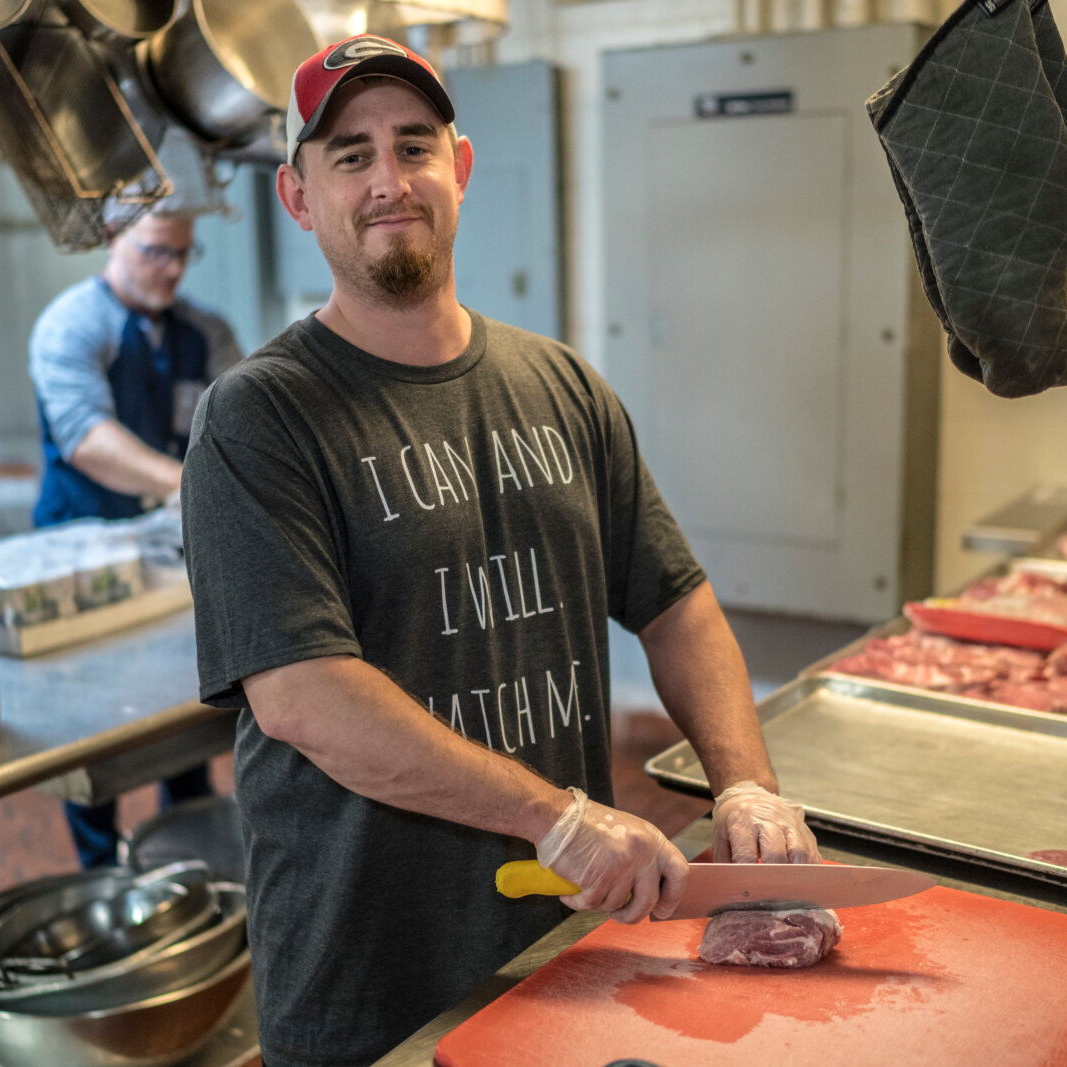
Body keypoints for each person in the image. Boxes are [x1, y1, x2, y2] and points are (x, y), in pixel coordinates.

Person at [180, 35, 819, 1066]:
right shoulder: (258, 421)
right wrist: (555, 814)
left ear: (460, 169)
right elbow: (305, 696)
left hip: (561, 946)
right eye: (349, 155)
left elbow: (675, 603)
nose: (388, 181)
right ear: (299, 199)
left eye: (413, 146)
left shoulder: (560, 386)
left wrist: (741, 784)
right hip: (369, 981)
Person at [30, 204, 244, 868]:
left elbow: (242, 418)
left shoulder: (204, 332)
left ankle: (189, 860)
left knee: (179, 705)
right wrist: (188, 483)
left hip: (170, 556)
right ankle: (100, 873)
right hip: (83, 549)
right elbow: (87, 439)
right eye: (156, 251)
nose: (172, 269)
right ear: (110, 237)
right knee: (91, 731)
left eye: (183, 253)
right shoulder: (72, 325)